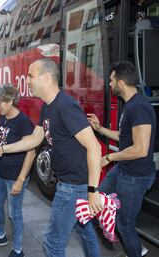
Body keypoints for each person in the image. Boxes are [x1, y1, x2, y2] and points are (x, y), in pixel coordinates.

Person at [0, 58, 103, 257]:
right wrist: (1, 149)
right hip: (71, 184)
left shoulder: (65, 106)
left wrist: (92, 190)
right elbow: (34, 139)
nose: (27, 81)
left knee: (52, 243)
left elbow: (94, 146)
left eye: (31, 76)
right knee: (84, 232)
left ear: (47, 77)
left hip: (72, 187)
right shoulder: (48, 106)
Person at [87, 61, 156, 257]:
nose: (109, 84)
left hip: (136, 176)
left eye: (111, 80)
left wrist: (109, 157)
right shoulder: (130, 104)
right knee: (96, 200)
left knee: (124, 224)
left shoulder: (138, 107)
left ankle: (135, 250)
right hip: (123, 170)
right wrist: (99, 129)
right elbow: (124, 137)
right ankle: (133, 246)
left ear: (121, 83)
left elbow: (140, 149)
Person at [0, 84, 36, 257]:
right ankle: (0, 236)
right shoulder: (2, 118)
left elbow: (31, 151)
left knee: (14, 213)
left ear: (11, 101)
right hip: (2, 173)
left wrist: (20, 180)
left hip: (15, 176)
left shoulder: (23, 122)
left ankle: (18, 250)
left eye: (0, 103)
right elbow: (0, 143)